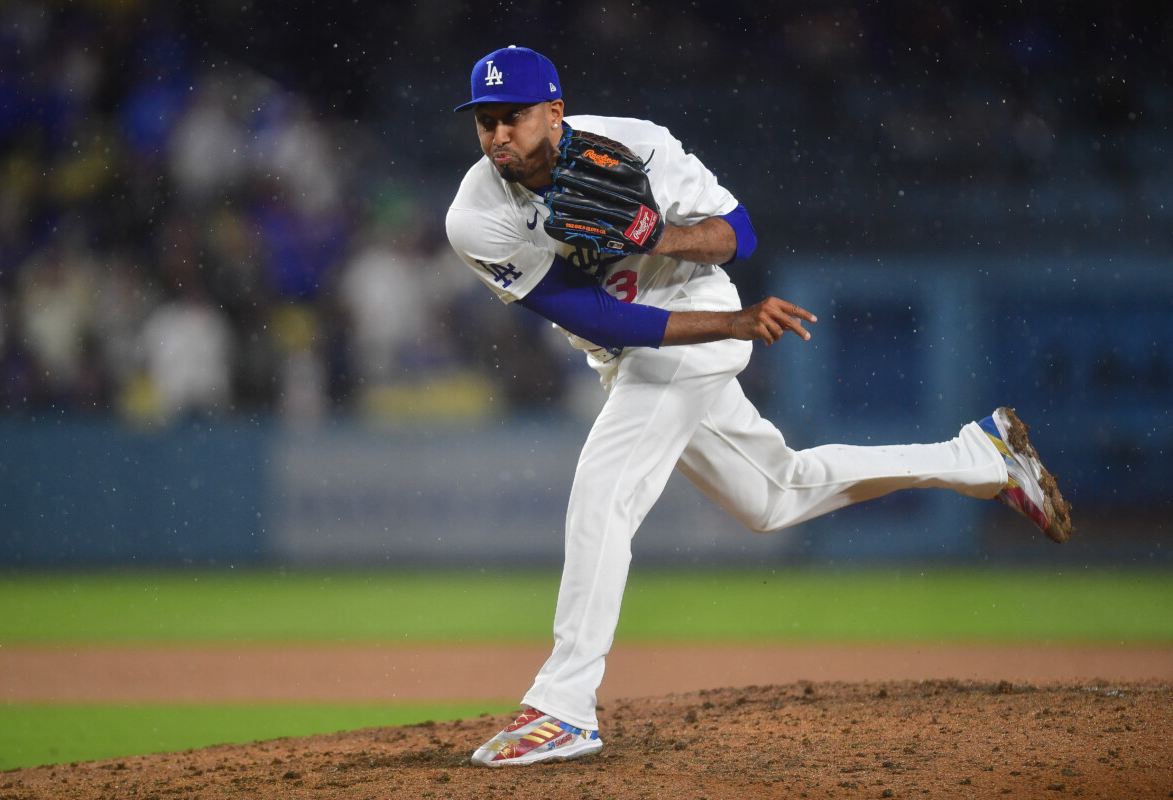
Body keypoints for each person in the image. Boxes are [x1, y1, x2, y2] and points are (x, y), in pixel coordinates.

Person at [444, 45, 1072, 768]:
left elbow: (737, 233)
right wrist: (735, 326)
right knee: (774, 496)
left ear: (554, 112)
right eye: (485, 122)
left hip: (690, 306)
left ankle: (563, 707)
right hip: (642, 343)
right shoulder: (476, 215)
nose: (497, 137)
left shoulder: (636, 145)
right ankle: (981, 456)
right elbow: (600, 321)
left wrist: (657, 237)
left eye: (513, 119)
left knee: (602, 495)